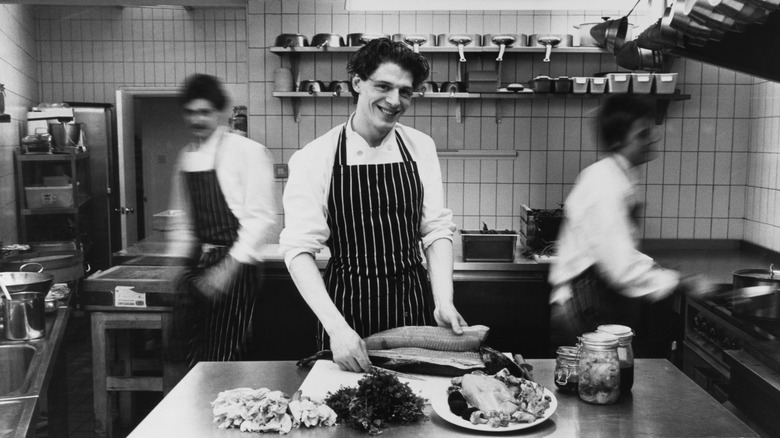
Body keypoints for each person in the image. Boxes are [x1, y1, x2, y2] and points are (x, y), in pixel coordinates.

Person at [279, 38, 466, 373]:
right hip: (345, 310)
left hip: (412, 306)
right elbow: (298, 250)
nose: (394, 101)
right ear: (357, 83)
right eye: (383, 86)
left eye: (405, 91)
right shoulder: (315, 157)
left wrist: (443, 300)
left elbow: (435, 229)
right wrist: (336, 329)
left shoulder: (420, 147)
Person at [548, 95, 702, 357]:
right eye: (642, 134)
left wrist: (658, 270)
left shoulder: (617, 176)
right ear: (619, 139)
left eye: (651, 131)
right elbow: (620, 267)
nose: (652, 139)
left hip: (593, 301)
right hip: (585, 308)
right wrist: (676, 280)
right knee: (599, 386)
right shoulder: (605, 184)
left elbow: (616, 248)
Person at [167, 73, 277, 367]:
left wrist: (226, 270)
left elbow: (260, 219)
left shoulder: (246, 152)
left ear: (220, 113)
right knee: (190, 353)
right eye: (190, 113)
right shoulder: (185, 157)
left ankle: (221, 411)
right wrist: (179, 265)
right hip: (197, 265)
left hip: (235, 268)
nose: (197, 120)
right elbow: (184, 221)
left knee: (223, 357)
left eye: (204, 112)